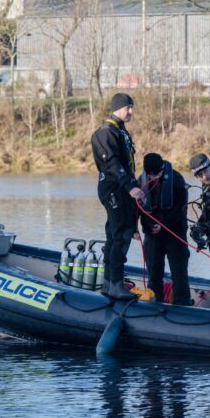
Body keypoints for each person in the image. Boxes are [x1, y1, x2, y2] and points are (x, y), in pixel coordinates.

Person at [91, 92, 146, 301]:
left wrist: (132, 185)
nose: (131, 112)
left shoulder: (120, 131)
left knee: (114, 233)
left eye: (132, 107)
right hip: (113, 187)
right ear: (117, 108)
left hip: (122, 186)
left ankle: (109, 283)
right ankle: (115, 284)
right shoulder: (105, 133)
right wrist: (129, 187)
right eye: (128, 108)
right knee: (121, 234)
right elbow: (112, 164)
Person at [138, 152, 192, 305]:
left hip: (174, 233)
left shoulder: (177, 180)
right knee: (154, 274)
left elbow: (180, 209)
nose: (154, 178)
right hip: (153, 236)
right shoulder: (141, 181)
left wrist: (163, 225)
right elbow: (137, 208)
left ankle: (183, 306)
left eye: (157, 174)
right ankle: (154, 304)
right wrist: (140, 228)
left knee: (179, 272)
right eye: (151, 175)